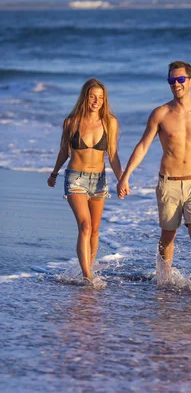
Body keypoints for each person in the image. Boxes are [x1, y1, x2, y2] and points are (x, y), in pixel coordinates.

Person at [117, 61, 191, 288]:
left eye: (180, 79)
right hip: (169, 183)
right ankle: (163, 281)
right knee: (168, 236)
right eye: (172, 80)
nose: (176, 84)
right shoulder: (161, 113)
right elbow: (143, 145)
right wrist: (125, 176)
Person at [48, 78, 122, 282]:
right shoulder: (71, 121)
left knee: (95, 230)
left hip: (99, 180)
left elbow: (113, 154)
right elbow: (64, 151)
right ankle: (88, 277)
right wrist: (54, 173)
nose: (96, 101)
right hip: (75, 179)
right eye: (92, 97)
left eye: (100, 97)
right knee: (85, 226)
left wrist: (121, 180)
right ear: (85, 97)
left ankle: (89, 268)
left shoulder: (110, 122)